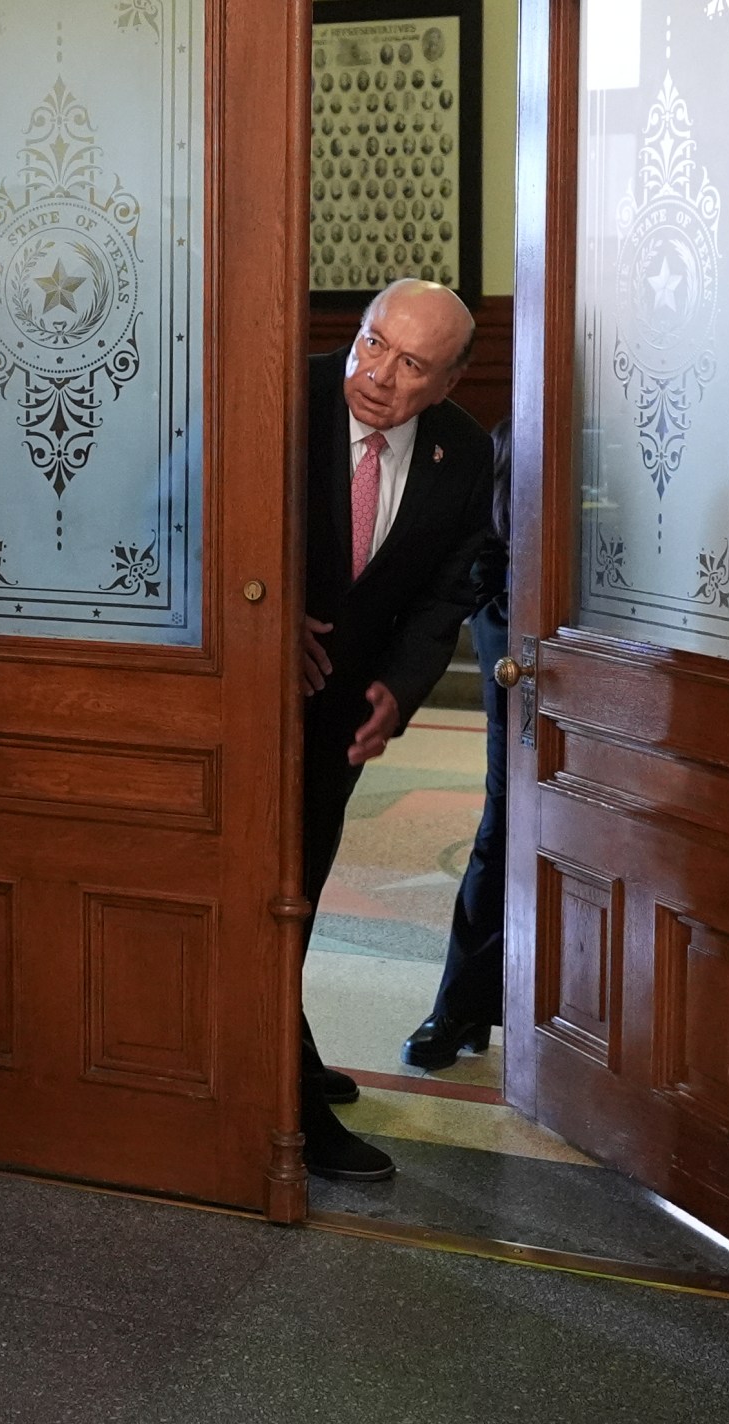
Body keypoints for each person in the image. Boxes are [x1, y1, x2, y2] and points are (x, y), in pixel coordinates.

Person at [297, 279, 496, 1182]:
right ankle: (287, 1106)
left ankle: (283, 1051)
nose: (377, 374)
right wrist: (250, 620)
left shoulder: (463, 452)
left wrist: (402, 689)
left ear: (450, 378)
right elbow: (177, 516)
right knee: (271, 892)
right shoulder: (283, 393)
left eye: (411, 363)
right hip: (239, 693)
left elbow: (446, 589)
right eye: (373, 342)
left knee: (295, 886)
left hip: (339, 713)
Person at [405, 417, 512, 1071]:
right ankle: (461, 1006)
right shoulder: (514, 430)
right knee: (504, 827)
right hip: (523, 653)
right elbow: (485, 549)